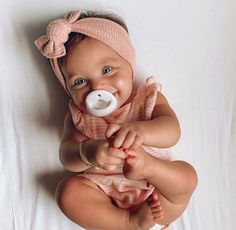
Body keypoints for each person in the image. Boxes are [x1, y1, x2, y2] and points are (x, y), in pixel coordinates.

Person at [35, 10, 198, 230]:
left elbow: (172, 131)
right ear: (68, 89)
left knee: (186, 177)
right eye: (80, 81)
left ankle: (147, 166)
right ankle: (127, 222)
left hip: (155, 189)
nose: (97, 87)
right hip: (103, 189)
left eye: (107, 70)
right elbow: (67, 155)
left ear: (129, 66)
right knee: (68, 192)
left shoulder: (147, 99)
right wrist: (89, 152)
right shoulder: (78, 116)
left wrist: (141, 132)